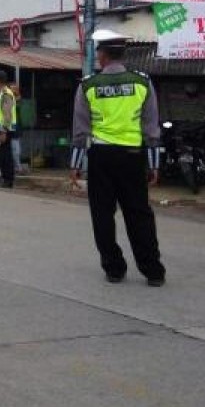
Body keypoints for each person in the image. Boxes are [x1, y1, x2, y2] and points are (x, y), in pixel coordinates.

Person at [70, 29, 165, 287]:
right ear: (122, 54)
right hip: (132, 156)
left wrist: (75, 165)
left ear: (101, 55)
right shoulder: (143, 82)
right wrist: (154, 164)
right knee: (139, 214)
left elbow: (81, 131)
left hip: (100, 157)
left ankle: (114, 268)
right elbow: (151, 128)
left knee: (102, 215)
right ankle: (153, 270)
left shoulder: (87, 85)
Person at [8, 82, 26, 174]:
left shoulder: (17, 100)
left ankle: (18, 167)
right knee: (13, 149)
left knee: (16, 149)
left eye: (15, 89)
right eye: (11, 89)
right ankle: (16, 167)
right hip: (8, 127)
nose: (13, 90)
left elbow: (18, 101)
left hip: (16, 128)